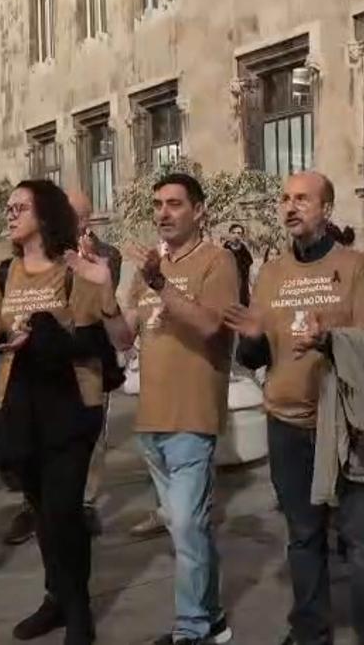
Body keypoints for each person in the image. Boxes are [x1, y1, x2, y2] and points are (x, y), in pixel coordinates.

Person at [224, 171, 364, 645]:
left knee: (362, 541)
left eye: (302, 198)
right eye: (284, 199)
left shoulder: (353, 265)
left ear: (326, 208)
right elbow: (255, 357)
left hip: (344, 424)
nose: (290, 207)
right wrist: (252, 338)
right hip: (287, 424)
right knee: (303, 537)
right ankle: (311, 631)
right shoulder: (272, 272)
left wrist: (328, 339)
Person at [101, 173, 238, 645]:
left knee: (186, 527)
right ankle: (211, 619)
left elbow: (210, 326)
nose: (162, 212)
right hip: (151, 419)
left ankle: (192, 630)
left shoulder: (217, 262)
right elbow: (124, 337)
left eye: (174, 204)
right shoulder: (147, 269)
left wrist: (163, 283)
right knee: (189, 530)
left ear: (198, 210)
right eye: (157, 204)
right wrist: (104, 290)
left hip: (192, 414)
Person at [0, 180, 115, 645]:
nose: (11, 214)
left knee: (63, 514)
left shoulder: (73, 269)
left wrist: (39, 336)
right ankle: (55, 598)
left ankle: (78, 611)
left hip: (72, 403)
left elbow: (92, 341)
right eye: (8, 206)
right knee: (41, 513)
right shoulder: (4, 272)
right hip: (17, 402)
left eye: (20, 207)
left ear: (45, 214)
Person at [67, 191, 121, 537]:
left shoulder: (106, 255)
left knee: (92, 436)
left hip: (92, 356)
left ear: (85, 220)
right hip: (52, 357)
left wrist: (83, 265)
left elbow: (105, 301)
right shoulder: (41, 253)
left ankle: (86, 502)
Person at [224, 223, 254, 307]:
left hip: (243, 293)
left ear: (242, 236)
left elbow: (250, 275)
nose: (236, 236)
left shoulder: (245, 253)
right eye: (233, 233)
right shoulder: (223, 252)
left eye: (239, 233)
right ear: (229, 234)